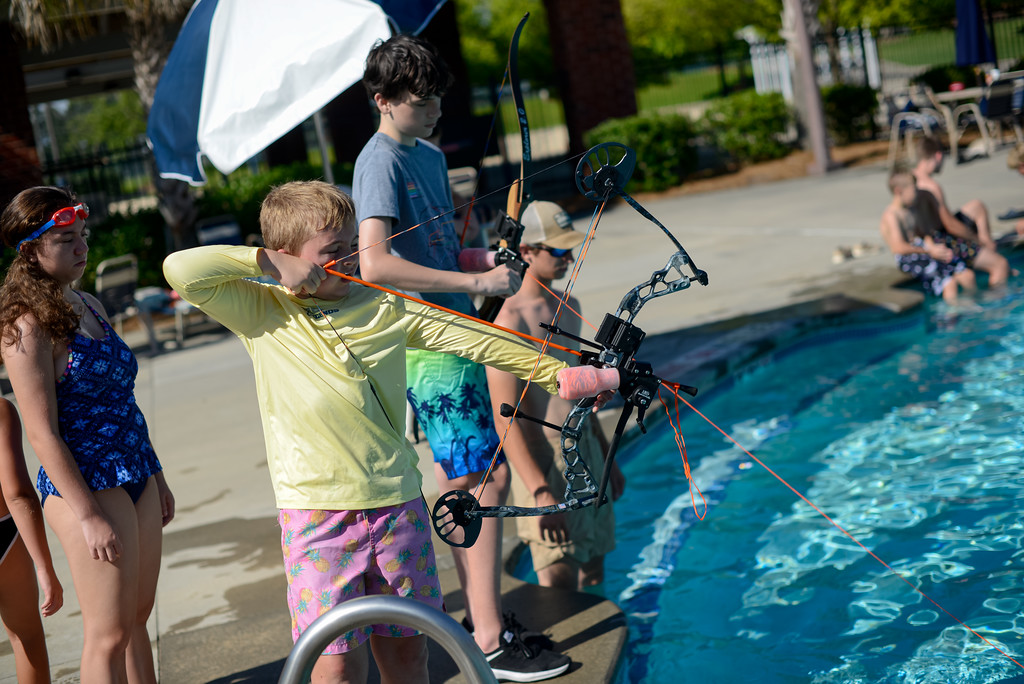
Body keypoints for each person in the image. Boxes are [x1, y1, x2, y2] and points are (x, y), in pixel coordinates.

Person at [162, 181, 607, 684]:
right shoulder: (262, 311)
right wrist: (267, 263)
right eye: (333, 252)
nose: (351, 259)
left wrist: (567, 374)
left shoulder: (383, 305)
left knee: (407, 661)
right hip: (317, 518)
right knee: (336, 672)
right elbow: (180, 268)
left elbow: (477, 340)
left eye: (353, 245)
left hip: (399, 509)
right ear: (290, 257)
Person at [352, 34, 571, 680]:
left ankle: (484, 623)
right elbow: (375, 263)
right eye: (421, 103)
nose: (434, 112)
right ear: (383, 100)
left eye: (437, 99)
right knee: (485, 481)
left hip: (456, 332)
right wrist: (477, 285)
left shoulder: (423, 154)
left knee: (470, 481)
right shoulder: (378, 162)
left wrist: (482, 263)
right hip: (426, 343)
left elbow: (437, 256)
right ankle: (489, 639)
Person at [0, 186, 175, 684]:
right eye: (65, 239)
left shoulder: (89, 303)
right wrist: (89, 514)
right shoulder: (24, 327)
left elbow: (125, 401)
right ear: (30, 250)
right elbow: (42, 435)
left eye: (83, 236)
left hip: (132, 467)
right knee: (108, 633)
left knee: (137, 621)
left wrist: (156, 473)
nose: (82, 248)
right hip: (86, 483)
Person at [485, 201, 625, 592]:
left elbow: (584, 394)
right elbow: (504, 418)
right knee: (558, 580)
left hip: (588, 450)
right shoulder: (508, 319)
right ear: (526, 251)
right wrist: (540, 491)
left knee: (595, 568)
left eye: (571, 250)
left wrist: (608, 458)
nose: (568, 258)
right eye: (558, 251)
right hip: (546, 462)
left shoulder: (570, 305)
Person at [0, 396, 62, 684]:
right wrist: (44, 566)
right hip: (4, 532)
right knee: (26, 637)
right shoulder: (1, 410)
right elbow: (18, 493)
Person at [912, 135, 1011, 286]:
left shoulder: (910, 179)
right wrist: (977, 241)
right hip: (942, 239)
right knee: (1000, 265)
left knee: (978, 206)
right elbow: (950, 225)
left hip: (928, 236)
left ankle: (989, 250)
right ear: (938, 156)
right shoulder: (932, 186)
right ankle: (995, 301)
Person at [880, 168, 978, 303]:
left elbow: (921, 234)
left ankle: (974, 308)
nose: (916, 193)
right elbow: (898, 248)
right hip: (908, 258)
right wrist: (929, 251)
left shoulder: (910, 210)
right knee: (949, 283)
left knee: (968, 275)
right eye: (913, 189)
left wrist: (935, 248)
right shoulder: (892, 215)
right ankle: (953, 318)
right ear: (898, 190)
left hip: (922, 250)